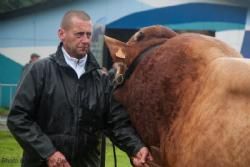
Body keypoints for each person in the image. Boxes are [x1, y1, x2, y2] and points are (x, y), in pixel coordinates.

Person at [7, 10, 152, 167]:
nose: (86, 40)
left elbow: (116, 122)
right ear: (61, 34)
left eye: (89, 35)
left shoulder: (101, 80)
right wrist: (48, 152)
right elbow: (18, 118)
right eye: (79, 34)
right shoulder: (39, 71)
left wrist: (136, 148)